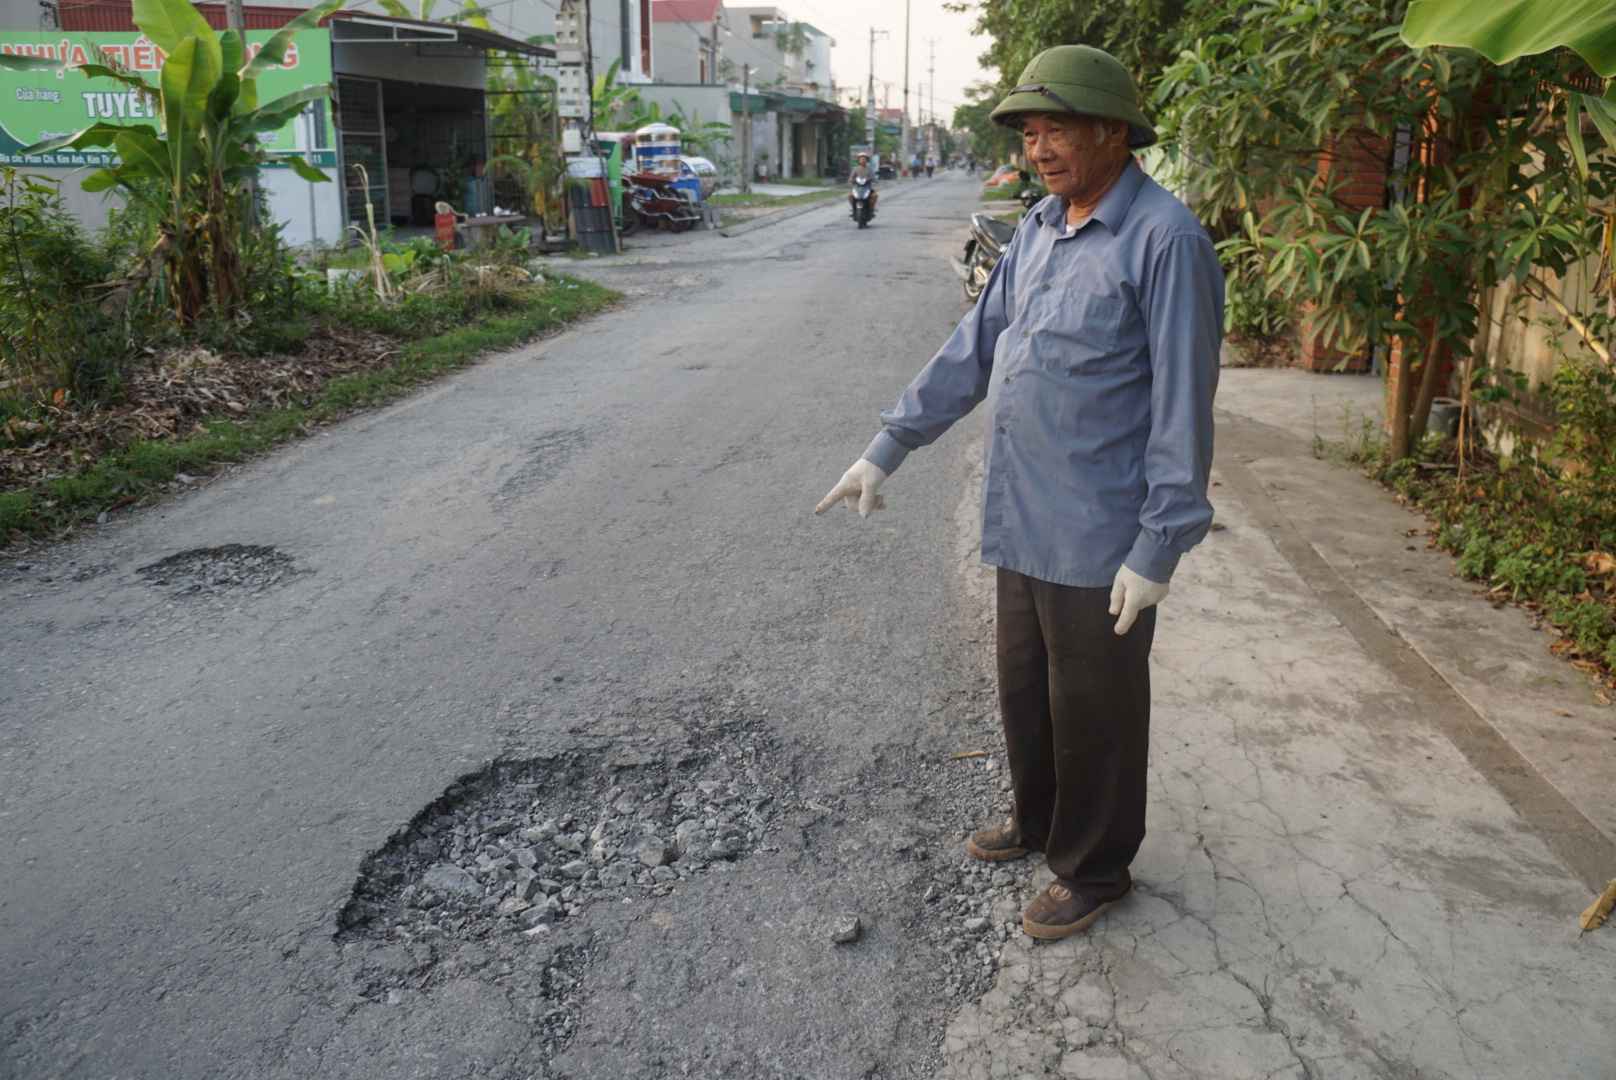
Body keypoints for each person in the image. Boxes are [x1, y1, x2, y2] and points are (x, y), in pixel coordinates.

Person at [815, 45, 1223, 940]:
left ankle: (1095, 866)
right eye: (1030, 133)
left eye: (1058, 129)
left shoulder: (1166, 240)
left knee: (1097, 709)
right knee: (1027, 690)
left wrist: (1161, 545)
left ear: (1114, 132)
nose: (1039, 149)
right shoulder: (1039, 227)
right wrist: (889, 448)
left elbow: (1184, 409)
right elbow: (974, 347)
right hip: (1023, 516)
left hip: (1101, 536)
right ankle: (1038, 820)